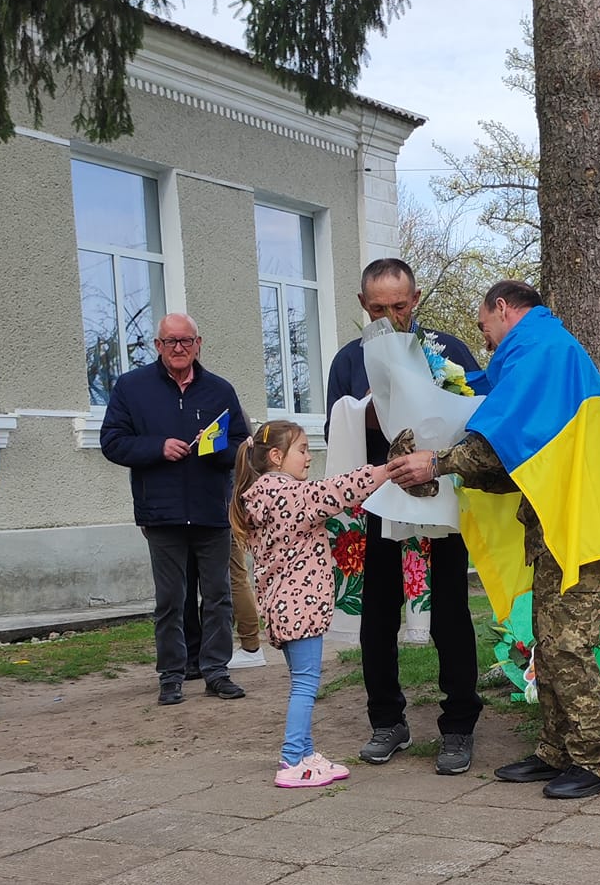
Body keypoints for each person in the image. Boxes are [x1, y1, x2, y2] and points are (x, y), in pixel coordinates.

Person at [387, 280, 600, 800]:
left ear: (502, 308)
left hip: (577, 524)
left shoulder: (542, 351)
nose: (488, 342)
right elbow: (514, 456)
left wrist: (436, 461)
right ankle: (556, 750)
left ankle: (597, 761)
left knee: (567, 646)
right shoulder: (542, 351)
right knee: (549, 639)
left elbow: (496, 452)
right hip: (555, 520)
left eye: (485, 328)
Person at [325, 257, 483, 775]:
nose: (390, 317)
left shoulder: (447, 350)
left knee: (452, 614)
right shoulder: (350, 359)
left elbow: (475, 416)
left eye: (399, 305)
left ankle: (459, 725)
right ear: (362, 306)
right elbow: (338, 428)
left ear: (415, 300)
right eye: (378, 308)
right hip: (378, 501)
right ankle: (386, 720)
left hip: (437, 499)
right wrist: (366, 411)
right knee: (377, 612)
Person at [100, 314, 250, 706]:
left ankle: (216, 670)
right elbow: (112, 442)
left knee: (218, 597)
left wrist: (217, 448)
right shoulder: (132, 388)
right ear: (157, 346)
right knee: (170, 599)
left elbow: (244, 448)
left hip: (211, 510)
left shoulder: (219, 390)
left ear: (199, 344)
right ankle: (172, 675)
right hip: (161, 512)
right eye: (171, 342)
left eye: (186, 341)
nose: (179, 348)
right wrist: (157, 447)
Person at [232, 420, 387, 788]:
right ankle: (290, 761)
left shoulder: (259, 495)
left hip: (282, 608)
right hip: (300, 607)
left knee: (301, 681)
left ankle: (305, 753)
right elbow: (336, 491)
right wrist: (385, 469)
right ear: (276, 456)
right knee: (305, 685)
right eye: (302, 450)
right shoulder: (288, 495)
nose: (308, 457)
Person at [182, 533, 266, 679]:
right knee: (234, 578)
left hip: (219, 522)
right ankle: (249, 646)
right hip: (224, 519)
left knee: (234, 579)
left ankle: (251, 646)